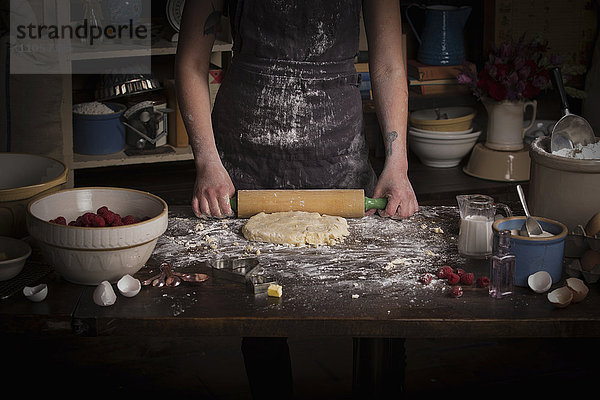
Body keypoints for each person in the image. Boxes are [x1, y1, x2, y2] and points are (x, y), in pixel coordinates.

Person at [175, 0, 418, 397]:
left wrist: (398, 162)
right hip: (246, 150)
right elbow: (191, 63)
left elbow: (390, 65)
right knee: (258, 304)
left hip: (337, 147)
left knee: (372, 295)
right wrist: (207, 160)